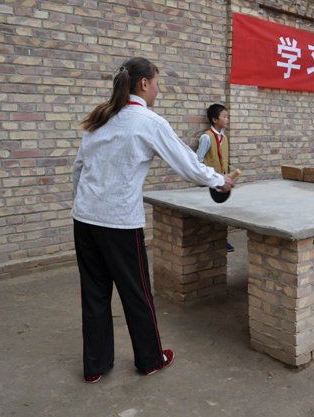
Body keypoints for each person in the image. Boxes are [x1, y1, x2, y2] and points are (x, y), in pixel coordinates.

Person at [72, 57, 234, 383]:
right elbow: (186, 162)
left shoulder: (100, 118)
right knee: (137, 293)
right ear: (144, 83)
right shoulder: (147, 121)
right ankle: (149, 359)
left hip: (85, 219)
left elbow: (79, 168)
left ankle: (95, 367)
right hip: (120, 223)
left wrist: (83, 205)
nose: (158, 91)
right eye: (157, 84)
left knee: (94, 293)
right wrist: (219, 180)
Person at [197, 104, 235, 252]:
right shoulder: (206, 137)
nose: (227, 119)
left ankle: (221, 240)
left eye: (227, 116)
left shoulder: (224, 138)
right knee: (210, 213)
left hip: (221, 182)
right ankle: (211, 240)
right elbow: (198, 161)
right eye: (224, 116)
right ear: (214, 119)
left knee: (222, 211)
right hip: (210, 182)